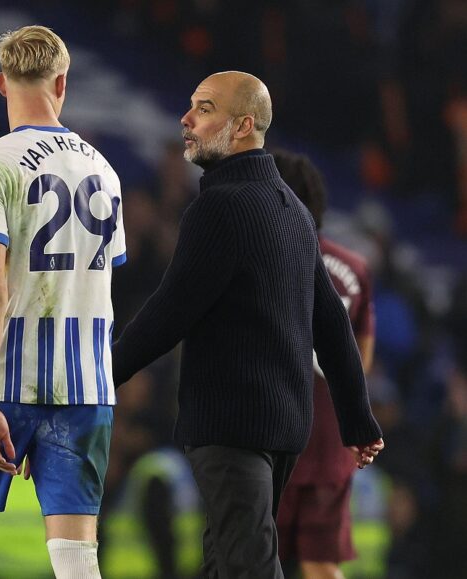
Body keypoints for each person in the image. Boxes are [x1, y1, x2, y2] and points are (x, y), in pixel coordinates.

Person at [110, 71, 384, 578]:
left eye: (205, 109)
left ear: (242, 126)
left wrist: (104, 375)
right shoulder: (295, 212)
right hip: (284, 425)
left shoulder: (219, 207)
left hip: (231, 422)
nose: (186, 119)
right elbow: (332, 324)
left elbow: (172, 310)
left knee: (247, 565)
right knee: (225, 562)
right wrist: (357, 418)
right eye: (191, 105)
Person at [0, 25, 126, 579]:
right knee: (76, 555)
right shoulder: (105, 171)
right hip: (87, 384)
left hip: (9, 378)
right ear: (61, 83)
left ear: (1, 83)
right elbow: (102, 281)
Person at [272, 150, 376, 579]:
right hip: (332, 442)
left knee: (254, 559)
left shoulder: (265, 261)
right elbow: (362, 357)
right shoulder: (355, 267)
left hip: (273, 437)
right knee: (322, 564)